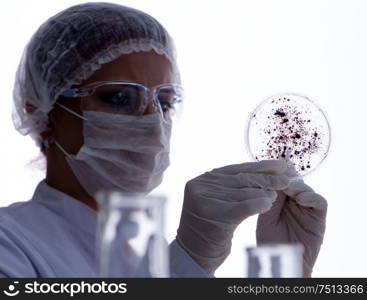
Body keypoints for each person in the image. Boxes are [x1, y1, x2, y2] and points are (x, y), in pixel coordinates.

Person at [0, 2, 327, 278]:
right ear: (44, 116)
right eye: (118, 97)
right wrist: (188, 260)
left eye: (165, 102)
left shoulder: (147, 261)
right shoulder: (10, 244)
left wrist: (282, 274)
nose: (153, 123)